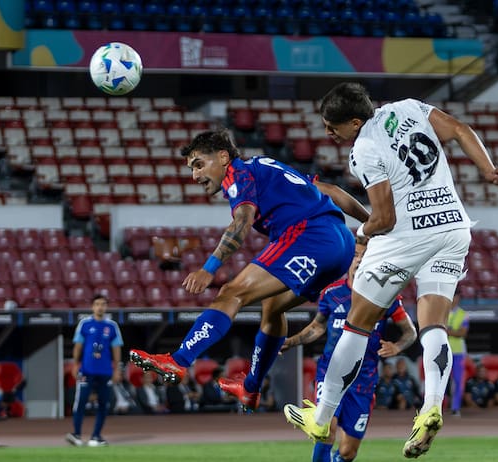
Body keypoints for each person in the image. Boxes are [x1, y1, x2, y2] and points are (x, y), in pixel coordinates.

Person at [283, 82, 498, 459]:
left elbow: (384, 218)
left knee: (357, 322)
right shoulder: (409, 107)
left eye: (332, 126)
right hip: (453, 227)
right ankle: (431, 406)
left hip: (406, 236)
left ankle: (321, 418)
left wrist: (361, 232)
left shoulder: (364, 148)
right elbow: (460, 130)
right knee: (434, 323)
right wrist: (487, 169)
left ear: (355, 122)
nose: (328, 133)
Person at [129, 130, 369, 410]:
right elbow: (332, 191)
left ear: (222, 157)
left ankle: (178, 360)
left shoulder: (237, 174)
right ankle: (251, 388)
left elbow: (242, 221)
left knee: (230, 293)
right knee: (273, 307)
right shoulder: (266, 165)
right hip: (341, 243)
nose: (194, 176)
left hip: (309, 235)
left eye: (198, 164)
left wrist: (209, 268)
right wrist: (373, 224)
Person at [274, 243, 417, 462]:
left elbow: (409, 331)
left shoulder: (384, 296)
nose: (359, 260)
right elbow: (317, 327)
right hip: (330, 373)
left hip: (363, 381)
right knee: (325, 430)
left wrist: (397, 347)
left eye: (365, 256)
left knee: (349, 451)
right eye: (356, 255)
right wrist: (291, 342)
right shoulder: (332, 293)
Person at [66, 294, 124, 447]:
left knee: (104, 404)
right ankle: (76, 435)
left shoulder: (112, 326)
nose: (100, 307)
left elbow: (116, 348)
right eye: (97, 304)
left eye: (103, 304)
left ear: (106, 307)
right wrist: (75, 364)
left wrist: (117, 369)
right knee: (81, 402)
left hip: (105, 371)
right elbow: (78, 346)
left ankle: (96, 436)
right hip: (87, 370)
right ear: (92, 307)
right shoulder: (84, 324)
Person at [446, 292, 469, 416]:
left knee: (458, 380)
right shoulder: (442, 311)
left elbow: (463, 333)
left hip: (458, 351)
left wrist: (448, 331)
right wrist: (454, 331)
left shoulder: (463, 314)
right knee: (440, 380)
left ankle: (455, 408)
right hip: (443, 350)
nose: (454, 299)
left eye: (456, 297)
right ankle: (437, 407)